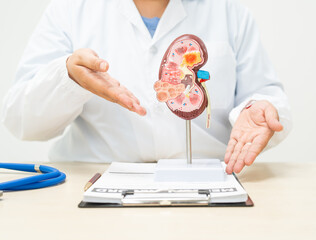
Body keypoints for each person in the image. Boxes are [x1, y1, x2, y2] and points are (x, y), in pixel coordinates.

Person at [1, 0, 291, 174]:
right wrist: (68, 77)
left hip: (207, 186)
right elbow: (21, 120)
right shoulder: (71, 9)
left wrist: (260, 109)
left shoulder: (227, 10)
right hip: (95, 184)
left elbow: (264, 94)